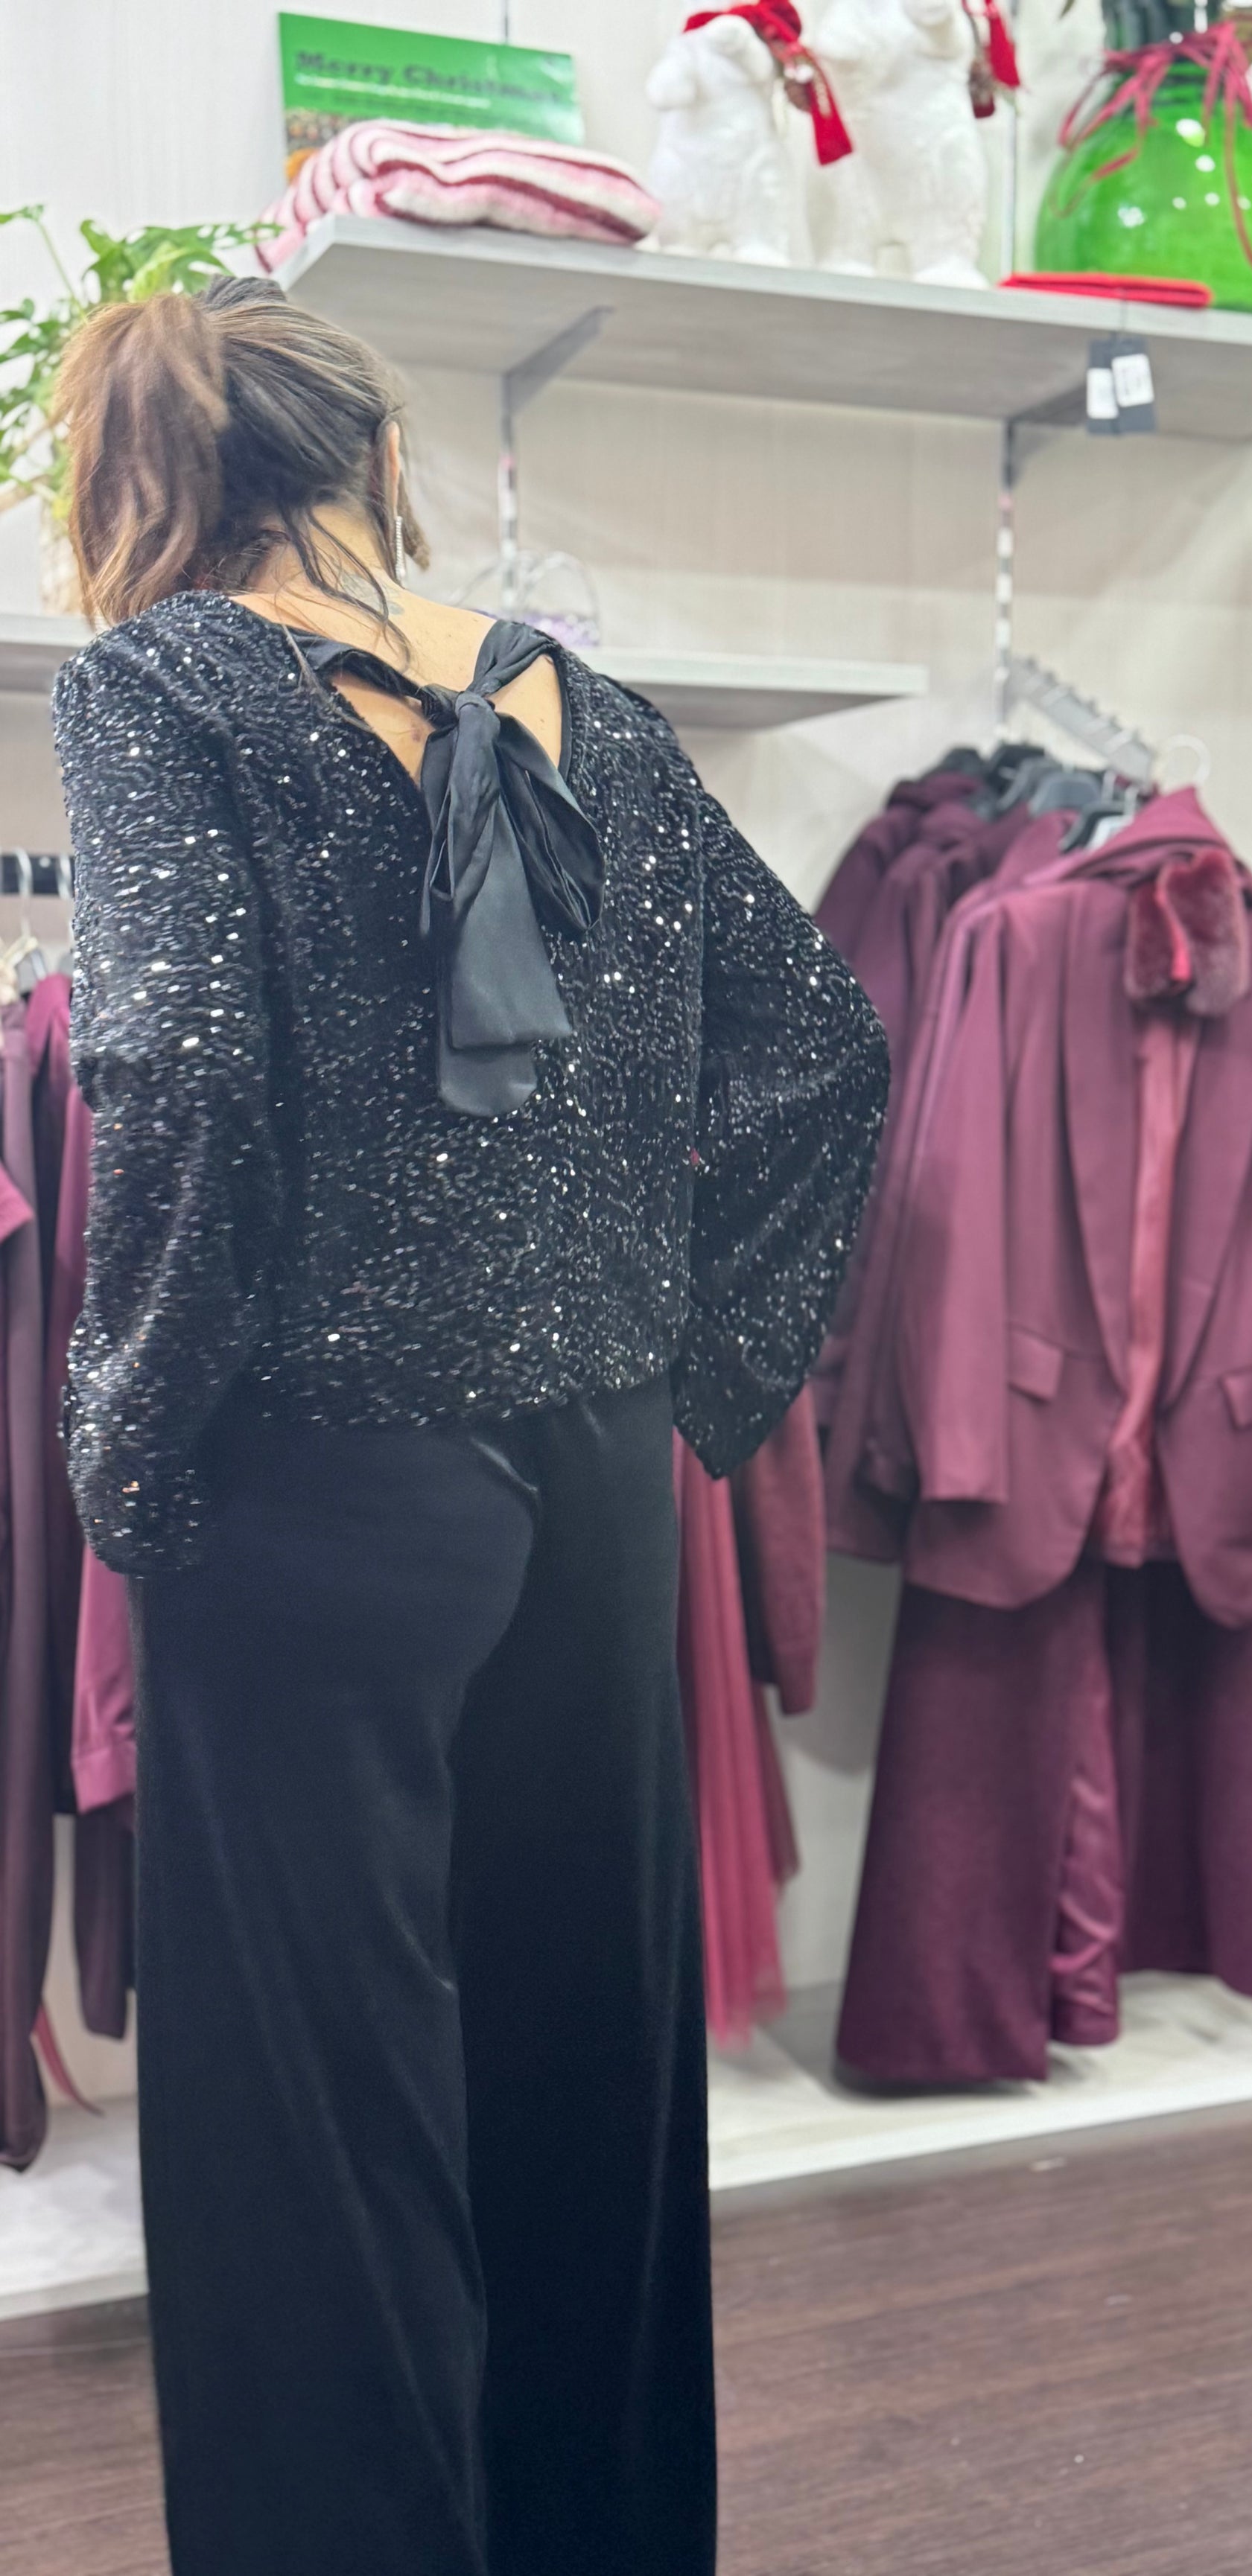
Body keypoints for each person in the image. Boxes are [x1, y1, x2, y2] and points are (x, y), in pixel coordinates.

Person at [49, 273, 886, 2576]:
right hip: (595, 1489)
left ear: (138, 482)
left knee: (314, 2138)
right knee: (583, 2074)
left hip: (314, 1487)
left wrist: (128, 1433)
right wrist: (696, 1367)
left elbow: (176, 1068)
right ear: (378, 456)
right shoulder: (574, 697)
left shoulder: (159, 683)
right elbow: (820, 1045)